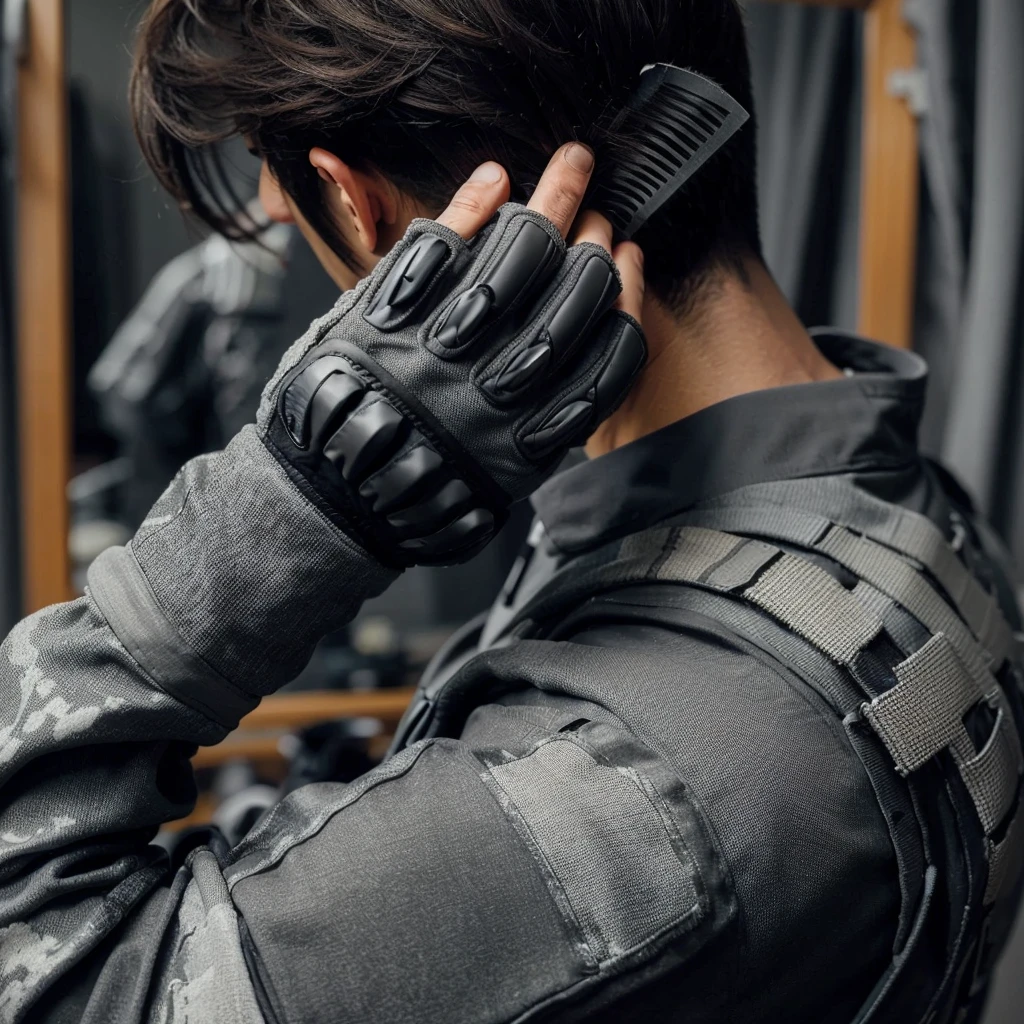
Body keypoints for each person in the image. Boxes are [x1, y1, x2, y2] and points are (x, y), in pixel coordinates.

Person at [1, 2, 1022, 1022]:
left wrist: (290, 505)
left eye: (276, 178)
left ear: (365, 212)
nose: (272, 206)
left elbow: (44, 981)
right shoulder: (909, 518)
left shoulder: (638, 776)